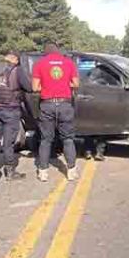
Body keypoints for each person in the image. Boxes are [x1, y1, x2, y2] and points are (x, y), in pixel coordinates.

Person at [32, 43, 80, 182]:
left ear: (45, 53)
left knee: (46, 140)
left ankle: (43, 172)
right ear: (58, 52)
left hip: (47, 105)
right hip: (65, 104)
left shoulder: (40, 64)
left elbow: (35, 87)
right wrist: (66, 84)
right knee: (68, 139)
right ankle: (71, 171)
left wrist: (45, 86)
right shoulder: (68, 63)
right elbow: (76, 84)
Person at [0, 51, 26, 181]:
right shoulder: (16, 70)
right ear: (15, 59)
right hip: (11, 108)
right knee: (8, 142)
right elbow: (27, 86)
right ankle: (10, 171)